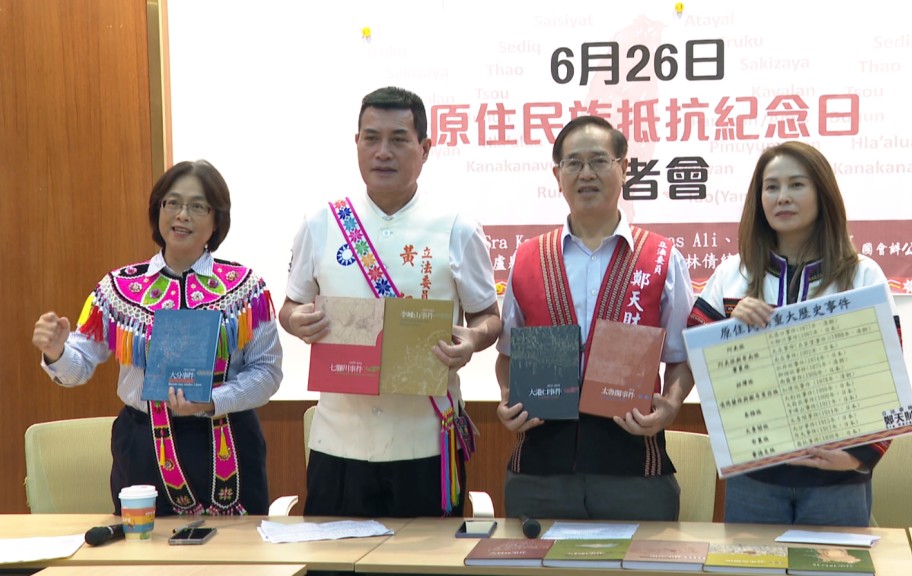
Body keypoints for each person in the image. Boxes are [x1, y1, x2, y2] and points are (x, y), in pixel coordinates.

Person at [280, 86, 501, 518]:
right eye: (371, 138)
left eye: (399, 139)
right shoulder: (321, 223)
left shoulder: (457, 228)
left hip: (426, 442)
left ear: (425, 148)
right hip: (338, 441)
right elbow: (290, 307)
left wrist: (473, 340)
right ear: (356, 143)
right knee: (333, 554)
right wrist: (296, 320)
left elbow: (488, 317)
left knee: (429, 556)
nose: (383, 152)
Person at [32, 160, 283, 517]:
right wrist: (57, 352)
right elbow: (79, 366)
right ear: (157, 210)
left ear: (216, 220)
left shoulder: (246, 289)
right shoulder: (118, 289)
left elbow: (267, 372)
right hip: (143, 446)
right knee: (142, 547)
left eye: (198, 206)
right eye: (172, 202)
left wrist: (212, 400)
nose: (182, 215)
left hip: (227, 442)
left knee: (234, 549)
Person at [495, 115, 696, 521]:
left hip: (634, 470)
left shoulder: (661, 257)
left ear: (624, 168)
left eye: (599, 161)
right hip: (538, 473)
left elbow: (683, 355)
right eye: (573, 163)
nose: (586, 173)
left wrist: (672, 405)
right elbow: (508, 354)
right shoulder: (528, 257)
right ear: (558, 175)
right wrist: (505, 399)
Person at [688, 141, 896, 526]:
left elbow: (886, 375)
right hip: (754, 476)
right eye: (771, 187)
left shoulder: (862, 275)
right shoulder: (734, 273)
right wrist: (728, 329)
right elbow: (695, 355)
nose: (782, 197)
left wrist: (858, 458)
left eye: (796, 185)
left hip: (837, 480)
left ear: (822, 193)